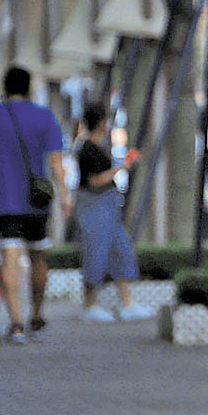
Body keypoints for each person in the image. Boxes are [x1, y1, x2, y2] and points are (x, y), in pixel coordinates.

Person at [0, 66, 70, 344]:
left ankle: (16, 323)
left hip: (4, 201)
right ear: (30, 87)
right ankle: (37, 315)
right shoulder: (44, 117)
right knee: (38, 256)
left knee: (10, 258)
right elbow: (56, 162)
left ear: (5, 86)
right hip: (37, 202)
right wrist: (66, 196)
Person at [72, 105, 155, 322]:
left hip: (108, 208)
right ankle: (90, 304)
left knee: (122, 249)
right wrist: (122, 167)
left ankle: (127, 303)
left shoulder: (99, 146)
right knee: (96, 252)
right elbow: (94, 181)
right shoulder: (87, 149)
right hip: (94, 207)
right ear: (101, 122)